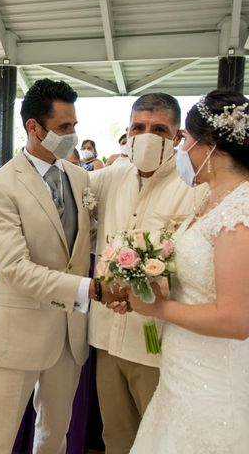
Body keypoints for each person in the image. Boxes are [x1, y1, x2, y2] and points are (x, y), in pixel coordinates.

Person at [0, 78, 117, 454]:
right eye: (63, 128)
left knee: (54, 434)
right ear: (34, 127)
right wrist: (89, 290)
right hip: (18, 330)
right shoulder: (0, 187)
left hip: (69, 333)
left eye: (74, 126)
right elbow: (15, 268)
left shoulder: (79, 177)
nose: (72, 135)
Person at [126, 90, 249, 453]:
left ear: (210, 145)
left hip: (212, 379)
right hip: (181, 370)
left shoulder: (239, 212)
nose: (183, 151)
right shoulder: (213, 199)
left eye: (188, 142)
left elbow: (236, 319)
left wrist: (156, 309)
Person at [88, 93, 207, 454]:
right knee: (115, 436)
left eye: (158, 129)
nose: (146, 135)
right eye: (138, 127)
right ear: (128, 132)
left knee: (158, 441)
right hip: (107, 334)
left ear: (176, 136)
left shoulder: (195, 189)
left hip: (157, 341)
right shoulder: (110, 177)